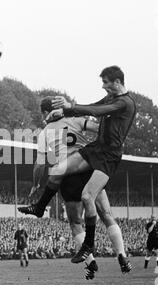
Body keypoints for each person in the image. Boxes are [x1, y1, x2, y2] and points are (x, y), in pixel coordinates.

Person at [19, 66, 135, 273]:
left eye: (106, 82)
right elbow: (96, 123)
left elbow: (39, 164)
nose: (103, 86)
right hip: (90, 161)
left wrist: (36, 183)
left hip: (81, 168)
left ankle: (90, 262)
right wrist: (71, 113)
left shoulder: (45, 133)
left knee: (75, 222)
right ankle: (122, 256)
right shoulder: (78, 120)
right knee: (106, 214)